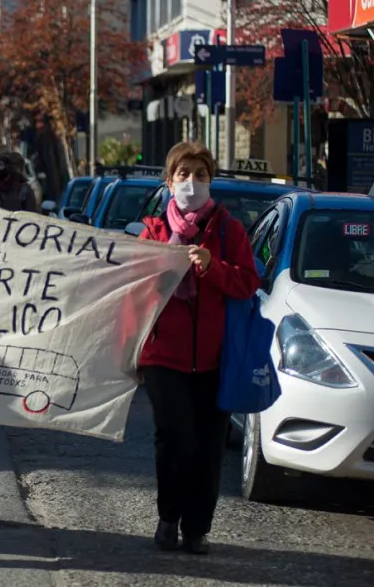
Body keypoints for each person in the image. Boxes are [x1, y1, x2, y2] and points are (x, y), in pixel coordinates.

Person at [137, 141, 259, 555]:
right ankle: (168, 517)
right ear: (170, 182)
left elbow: (248, 283)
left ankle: (196, 529)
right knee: (175, 438)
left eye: (201, 174)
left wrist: (213, 266)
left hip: (213, 361)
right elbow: (130, 293)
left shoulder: (229, 230)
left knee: (208, 448)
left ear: (211, 180)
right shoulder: (152, 232)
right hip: (162, 357)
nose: (192, 182)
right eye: (184, 174)